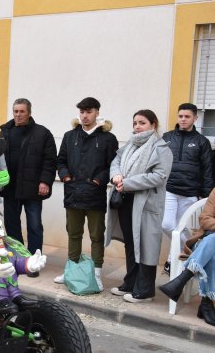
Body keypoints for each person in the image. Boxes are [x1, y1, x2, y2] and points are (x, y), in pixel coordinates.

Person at [107, 109, 173, 303]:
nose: (137, 126)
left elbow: (159, 176)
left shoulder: (161, 148)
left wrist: (128, 182)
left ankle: (145, 291)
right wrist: (116, 174)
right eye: (135, 122)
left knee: (146, 245)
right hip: (126, 201)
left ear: (153, 124)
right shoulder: (130, 144)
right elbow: (116, 160)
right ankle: (130, 282)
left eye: (142, 123)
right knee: (131, 243)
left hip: (146, 204)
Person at [54, 97, 119, 291]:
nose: (84, 115)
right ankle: (71, 270)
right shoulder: (70, 136)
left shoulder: (108, 138)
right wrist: (65, 177)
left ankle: (96, 272)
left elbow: (112, 165)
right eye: (81, 112)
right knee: (73, 234)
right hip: (72, 192)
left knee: (96, 235)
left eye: (88, 112)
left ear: (97, 112)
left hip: (94, 194)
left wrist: (98, 181)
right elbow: (61, 161)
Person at [0, 98, 57, 260]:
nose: (18, 115)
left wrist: (45, 181)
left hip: (33, 188)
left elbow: (50, 160)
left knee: (34, 226)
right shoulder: (5, 131)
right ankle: (19, 258)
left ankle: (34, 260)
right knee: (11, 225)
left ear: (29, 113)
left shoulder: (42, 133)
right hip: (10, 187)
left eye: (22, 111)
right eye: (15, 111)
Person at [161, 103, 213, 274]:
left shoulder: (202, 141)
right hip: (169, 189)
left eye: (187, 116)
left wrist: (205, 196)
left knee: (182, 228)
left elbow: (207, 169)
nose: (183, 119)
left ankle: (171, 259)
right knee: (167, 224)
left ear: (195, 118)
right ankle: (192, 249)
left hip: (191, 193)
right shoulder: (167, 137)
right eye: (181, 116)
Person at [159, 187, 215, 326]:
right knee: (213, 243)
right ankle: (206, 304)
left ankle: (183, 279)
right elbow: (204, 219)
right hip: (205, 243)